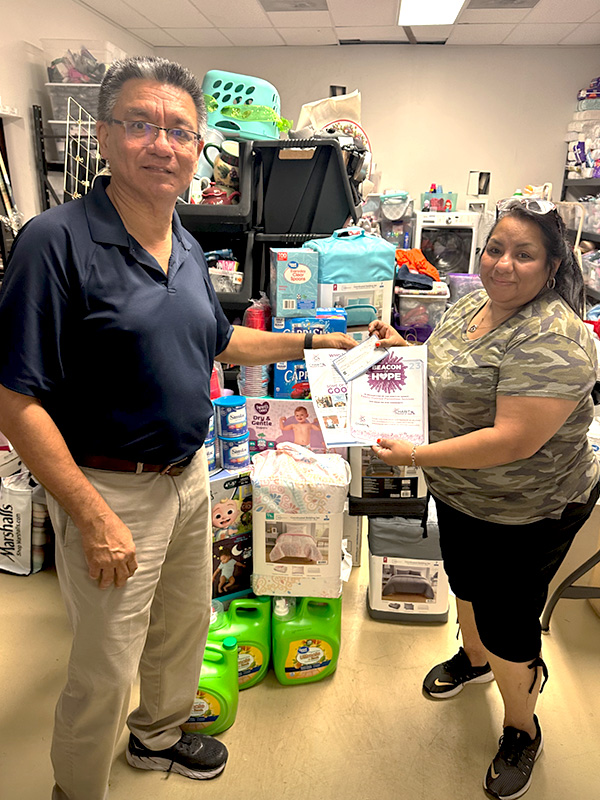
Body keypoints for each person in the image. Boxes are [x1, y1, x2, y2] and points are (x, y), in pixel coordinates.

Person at [0, 56, 354, 800]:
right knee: (103, 666)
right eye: (140, 124)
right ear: (103, 135)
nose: (162, 144)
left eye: (179, 131)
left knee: (183, 627)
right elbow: (15, 401)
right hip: (108, 487)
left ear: (200, 150)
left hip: (188, 476)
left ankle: (158, 736)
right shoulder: (53, 242)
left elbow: (220, 343)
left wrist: (315, 344)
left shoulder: (185, 241)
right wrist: (91, 517)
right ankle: (76, 790)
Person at [368, 197, 600, 800]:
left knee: (508, 618)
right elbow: (446, 372)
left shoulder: (555, 337)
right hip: (463, 491)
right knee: (465, 581)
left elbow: (512, 440)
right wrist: (398, 347)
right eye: (496, 249)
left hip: (526, 507)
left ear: (552, 267)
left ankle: (522, 725)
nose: (504, 264)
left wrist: (415, 457)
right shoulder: (472, 303)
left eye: (524, 255)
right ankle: (473, 660)